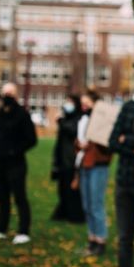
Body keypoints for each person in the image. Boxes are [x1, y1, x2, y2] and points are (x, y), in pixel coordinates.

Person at [0, 83, 38, 244]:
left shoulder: (22, 114)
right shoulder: (0, 114)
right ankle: (1, 228)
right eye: (4, 93)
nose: (7, 96)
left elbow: (31, 140)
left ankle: (23, 230)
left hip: (16, 164)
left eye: (10, 93)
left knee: (19, 197)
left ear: (15, 95)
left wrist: (14, 151)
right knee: (2, 197)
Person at [108, 64, 134, 267]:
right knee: (125, 238)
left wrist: (127, 141)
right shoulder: (128, 108)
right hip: (125, 183)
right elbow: (112, 140)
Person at [75, 90, 112, 256]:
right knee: (87, 204)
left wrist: (92, 144)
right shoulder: (83, 120)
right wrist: (79, 144)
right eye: (82, 104)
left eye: (86, 103)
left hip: (98, 165)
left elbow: (107, 146)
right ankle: (92, 238)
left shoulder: (104, 120)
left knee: (96, 204)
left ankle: (101, 240)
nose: (84, 107)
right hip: (84, 164)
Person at [51, 94, 85, 223]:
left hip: (71, 160)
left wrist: (60, 121)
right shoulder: (67, 118)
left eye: (70, 102)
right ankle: (63, 212)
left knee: (72, 189)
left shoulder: (78, 119)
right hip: (62, 160)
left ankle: (74, 215)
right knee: (62, 189)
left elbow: (72, 131)